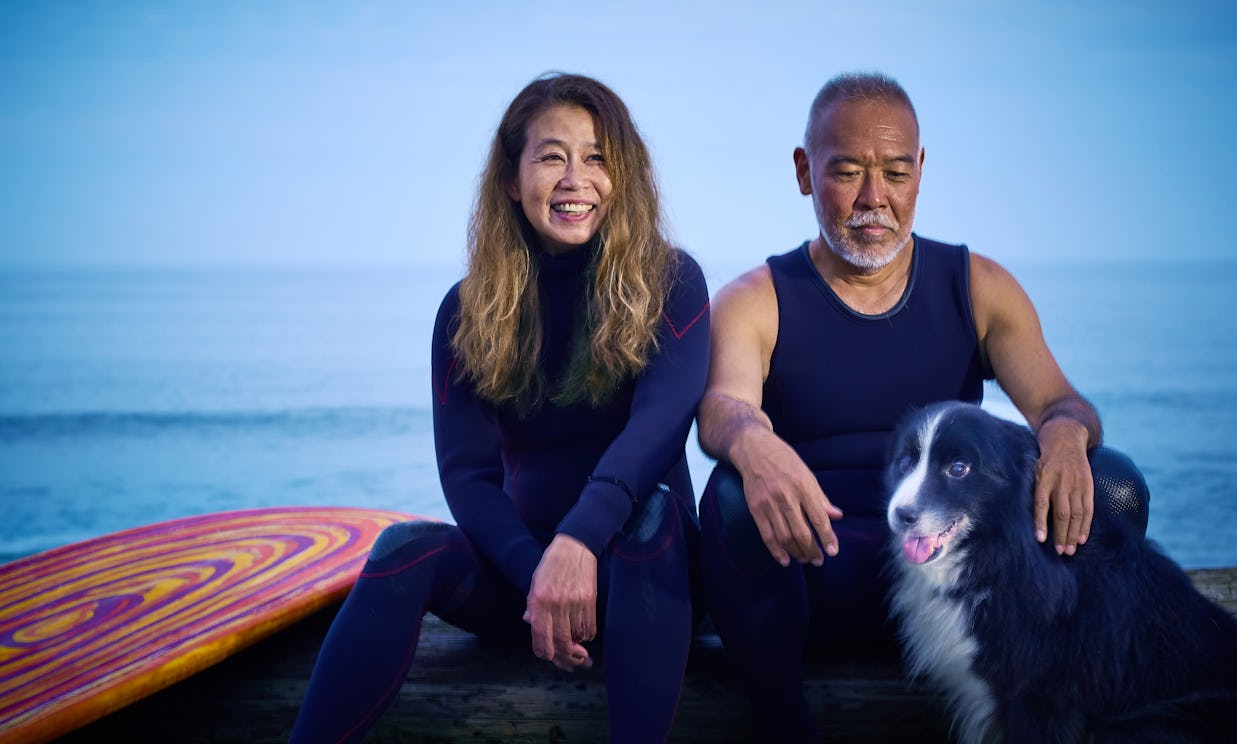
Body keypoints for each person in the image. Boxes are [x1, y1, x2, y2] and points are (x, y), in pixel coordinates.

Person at [695, 71, 1149, 741]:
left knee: (1113, 489)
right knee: (729, 498)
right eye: (847, 172)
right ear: (804, 171)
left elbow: (1061, 402)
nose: (874, 199)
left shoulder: (979, 286)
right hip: (826, 571)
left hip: (963, 576)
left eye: (896, 174)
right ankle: (782, 726)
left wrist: (1061, 435)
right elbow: (723, 406)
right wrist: (752, 442)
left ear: (921, 172)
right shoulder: (757, 298)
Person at [289, 72, 710, 743]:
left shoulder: (670, 282)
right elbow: (468, 476)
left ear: (622, 177)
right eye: (552, 157)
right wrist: (536, 570)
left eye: (598, 158)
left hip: (647, 575)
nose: (576, 178)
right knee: (402, 550)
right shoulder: (467, 310)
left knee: (651, 512)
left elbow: (659, 427)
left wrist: (577, 541)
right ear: (513, 180)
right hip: (527, 579)